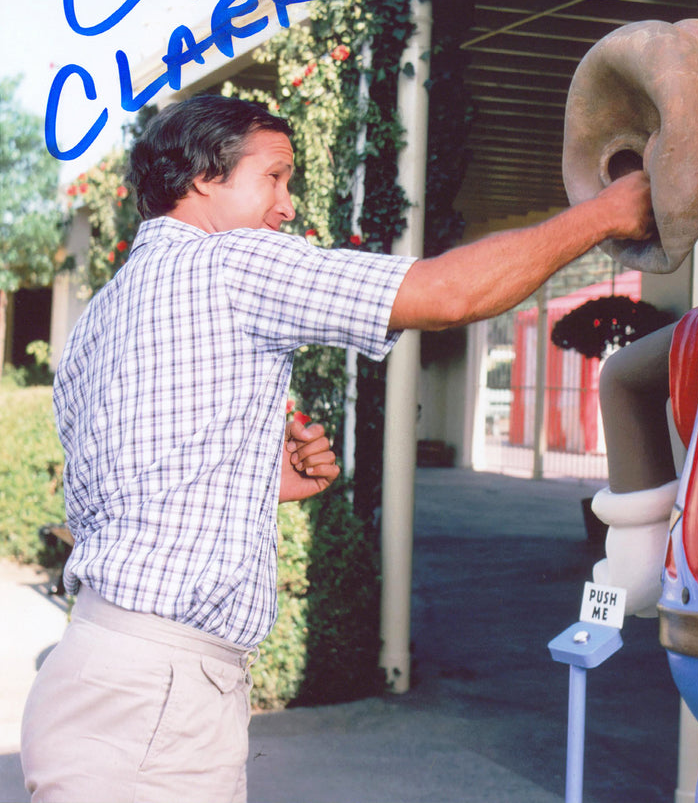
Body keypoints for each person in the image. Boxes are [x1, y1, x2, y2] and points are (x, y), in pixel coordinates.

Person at [20, 93, 653, 803]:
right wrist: (607, 213)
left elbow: (114, 493)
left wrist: (256, 477)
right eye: (275, 177)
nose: (287, 206)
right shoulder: (231, 265)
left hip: (91, 670)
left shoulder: (99, 318)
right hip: (160, 698)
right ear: (202, 177)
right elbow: (448, 293)